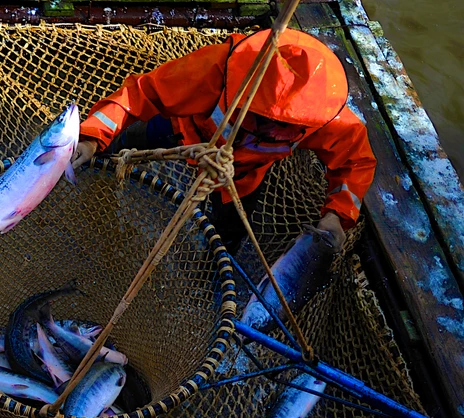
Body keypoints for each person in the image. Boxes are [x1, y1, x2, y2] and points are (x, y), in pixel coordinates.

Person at [71, 28, 377, 256]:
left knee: (227, 235)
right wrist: (92, 136)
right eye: (265, 117)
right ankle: (94, 197)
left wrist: (338, 215)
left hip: (240, 177)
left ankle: (210, 278)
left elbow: (355, 161)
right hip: (182, 133)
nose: (275, 130)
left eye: (287, 125)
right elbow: (141, 94)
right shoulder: (216, 69)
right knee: (118, 143)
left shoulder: (326, 116)